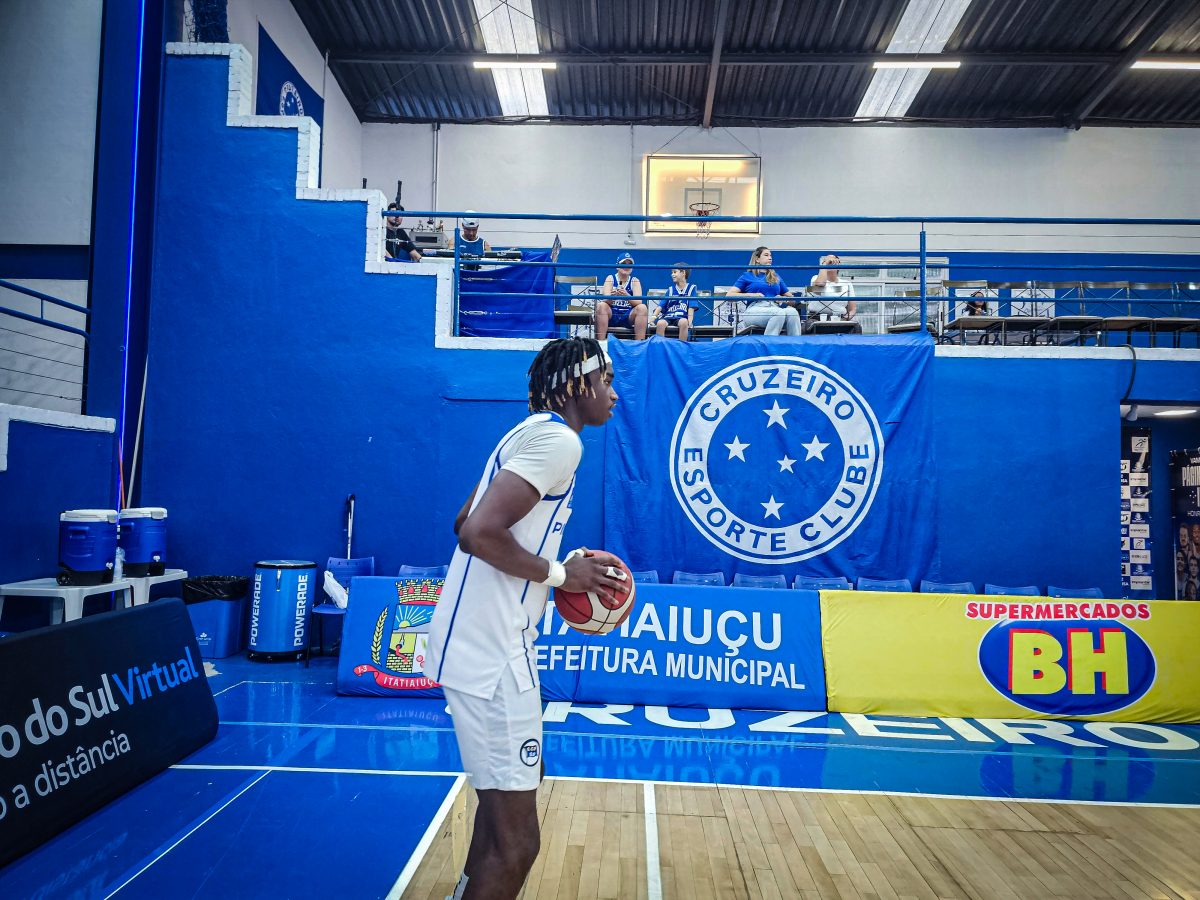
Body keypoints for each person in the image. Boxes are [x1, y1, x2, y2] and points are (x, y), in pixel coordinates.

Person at [424, 337, 625, 900]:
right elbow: (476, 532)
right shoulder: (561, 441)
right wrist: (561, 575)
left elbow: (463, 520)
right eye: (606, 381)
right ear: (577, 385)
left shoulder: (525, 432)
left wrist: (549, 559)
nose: (613, 393)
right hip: (493, 655)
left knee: (496, 824)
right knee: (517, 845)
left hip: (475, 642)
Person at [726, 246, 802, 336]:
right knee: (778, 313)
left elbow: (792, 300)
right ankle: (769, 344)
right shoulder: (747, 276)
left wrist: (783, 299)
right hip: (754, 310)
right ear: (757, 259)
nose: (770, 258)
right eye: (766, 255)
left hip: (775, 307)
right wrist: (753, 295)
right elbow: (729, 296)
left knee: (792, 312)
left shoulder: (776, 277)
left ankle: (794, 344)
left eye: (770, 255)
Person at [598, 254, 648, 340]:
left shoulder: (635, 280)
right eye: (624, 263)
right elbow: (605, 300)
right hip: (612, 313)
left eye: (629, 264)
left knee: (642, 308)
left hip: (628, 315)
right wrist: (612, 296)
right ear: (617, 266)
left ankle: (639, 344)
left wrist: (626, 296)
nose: (626, 266)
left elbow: (638, 302)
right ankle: (601, 343)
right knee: (601, 306)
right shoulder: (610, 278)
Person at [807, 254, 859, 333]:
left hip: (840, 319)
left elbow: (853, 309)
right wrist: (825, 264)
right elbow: (820, 284)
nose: (830, 263)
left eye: (832, 261)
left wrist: (844, 319)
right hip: (817, 318)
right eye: (828, 261)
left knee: (857, 328)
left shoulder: (847, 284)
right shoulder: (815, 279)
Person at [654, 262, 699, 341]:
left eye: (675, 272)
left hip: (682, 317)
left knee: (684, 322)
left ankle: (681, 347)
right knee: (660, 323)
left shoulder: (691, 288)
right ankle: (660, 346)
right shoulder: (670, 289)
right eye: (672, 272)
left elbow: (691, 307)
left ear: (683, 273)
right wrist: (653, 318)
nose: (672, 274)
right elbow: (660, 306)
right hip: (668, 316)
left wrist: (690, 321)